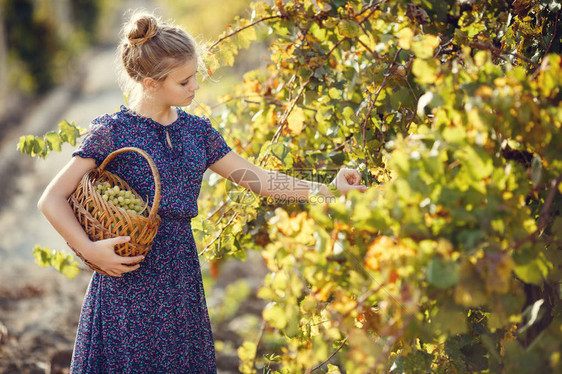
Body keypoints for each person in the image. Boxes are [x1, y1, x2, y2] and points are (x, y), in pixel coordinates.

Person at [37, 10, 367, 373]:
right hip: (127, 279)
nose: (195, 87)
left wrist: (328, 191)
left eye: (195, 77)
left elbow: (258, 179)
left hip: (180, 277)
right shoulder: (112, 132)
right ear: (149, 82)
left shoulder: (198, 132)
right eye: (184, 81)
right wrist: (90, 253)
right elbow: (51, 199)